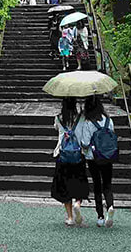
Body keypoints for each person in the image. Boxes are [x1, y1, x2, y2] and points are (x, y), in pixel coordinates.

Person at [76, 95, 117, 228]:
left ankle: (100, 216)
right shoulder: (108, 120)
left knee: (97, 186)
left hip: (93, 158)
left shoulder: (88, 122)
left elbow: (86, 143)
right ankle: (110, 206)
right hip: (107, 157)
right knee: (107, 185)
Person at [51, 97, 89, 226]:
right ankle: (78, 203)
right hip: (78, 155)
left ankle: (70, 217)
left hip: (63, 155)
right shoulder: (81, 118)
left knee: (65, 186)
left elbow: (56, 128)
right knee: (79, 182)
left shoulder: (58, 118)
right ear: (75, 105)